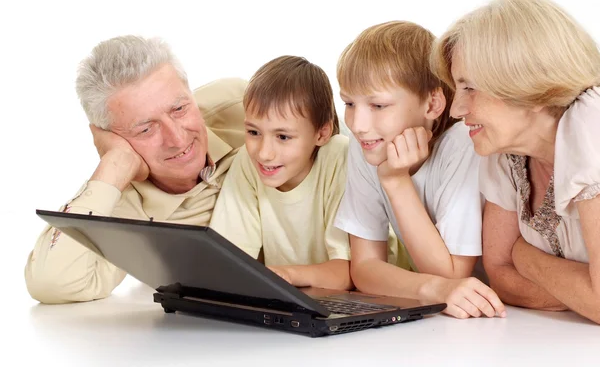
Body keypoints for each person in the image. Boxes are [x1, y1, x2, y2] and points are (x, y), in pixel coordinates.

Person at [24, 35, 247, 304]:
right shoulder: (124, 209)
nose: (177, 138)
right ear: (111, 137)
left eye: (179, 108)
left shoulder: (242, 106)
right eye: (145, 129)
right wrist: (114, 165)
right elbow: (51, 283)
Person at [430, 0, 600, 324]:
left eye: (469, 88)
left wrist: (524, 256)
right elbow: (500, 276)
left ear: (528, 84)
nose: (456, 109)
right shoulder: (504, 147)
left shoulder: (592, 123)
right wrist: (583, 292)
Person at [334, 21, 505, 319]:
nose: (357, 124)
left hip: (494, 314)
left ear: (432, 103)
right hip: (447, 314)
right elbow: (363, 269)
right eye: (349, 102)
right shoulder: (368, 145)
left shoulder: (464, 143)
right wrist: (432, 290)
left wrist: (396, 181)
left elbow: (452, 274)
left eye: (378, 105)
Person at [209, 55, 409, 290]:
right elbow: (230, 259)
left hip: (377, 293)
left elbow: (349, 274)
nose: (264, 153)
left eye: (283, 137)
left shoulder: (340, 157)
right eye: (254, 132)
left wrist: (281, 276)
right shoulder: (247, 160)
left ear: (321, 134)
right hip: (300, 295)